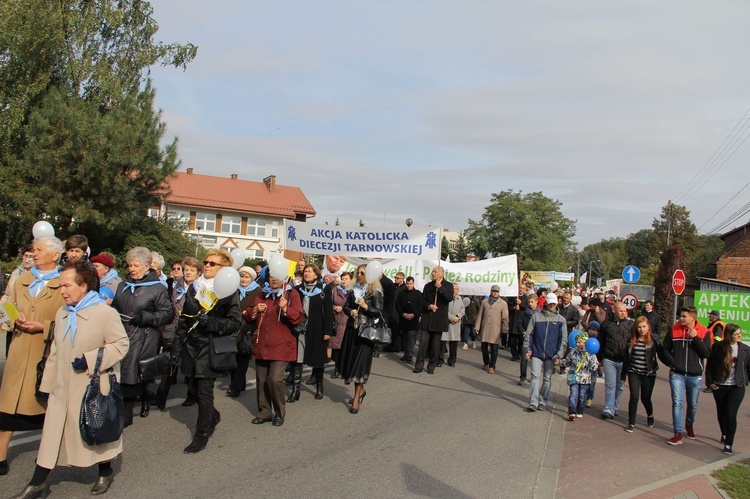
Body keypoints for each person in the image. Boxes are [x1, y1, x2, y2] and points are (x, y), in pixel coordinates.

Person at [10, 260, 129, 497]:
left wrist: (91, 358)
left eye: (66, 285)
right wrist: (46, 385)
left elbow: (121, 344)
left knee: (94, 430)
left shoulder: (105, 312)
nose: (61, 291)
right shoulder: (63, 312)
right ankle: (37, 483)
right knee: (52, 437)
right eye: (60, 285)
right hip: (62, 387)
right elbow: (55, 349)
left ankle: (105, 471)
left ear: (83, 285)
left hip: (91, 386)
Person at [0, 236, 66, 477]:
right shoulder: (22, 279)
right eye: (32, 250)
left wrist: (44, 326)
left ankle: (45, 461)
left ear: (55, 255)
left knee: (44, 409)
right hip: (18, 350)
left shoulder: (65, 282)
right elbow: (6, 304)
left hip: (45, 353)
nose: (33, 254)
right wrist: (13, 317)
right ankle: (1, 457)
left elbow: (71, 319)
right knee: (7, 408)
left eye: (38, 250)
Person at [170, 249, 241, 453]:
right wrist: (176, 350)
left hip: (210, 349)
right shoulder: (195, 288)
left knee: (203, 392)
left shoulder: (228, 292)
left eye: (212, 263)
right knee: (192, 387)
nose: (207, 266)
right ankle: (213, 415)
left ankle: (201, 433)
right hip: (191, 347)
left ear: (223, 269)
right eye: (206, 262)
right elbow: (184, 320)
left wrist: (211, 322)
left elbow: (235, 323)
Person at [111, 246, 173, 426]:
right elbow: (115, 305)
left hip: (143, 336)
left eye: (136, 265)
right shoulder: (123, 285)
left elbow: (167, 314)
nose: (132, 269)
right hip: (121, 334)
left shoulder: (157, 288)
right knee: (120, 374)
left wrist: (146, 317)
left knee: (134, 375)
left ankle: (127, 414)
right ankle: (125, 407)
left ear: (147, 266)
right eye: (130, 265)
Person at [246, 275, 303, 427]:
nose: (274, 279)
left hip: (281, 345)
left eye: (278, 277)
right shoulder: (261, 293)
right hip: (262, 343)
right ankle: (264, 412)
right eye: (271, 276)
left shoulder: (291, 294)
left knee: (275, 379)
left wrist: (285, 308)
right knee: (262, 379)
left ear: (284, 278)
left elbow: (298, 317)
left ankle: (279, 412)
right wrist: (255, 310)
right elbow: (248, 316)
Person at [659, 306, 711, 445]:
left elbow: (706, 354)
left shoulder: (704, 331)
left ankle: (689, 424)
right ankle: (677, 433)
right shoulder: (674, 329)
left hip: (695, 375)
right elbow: (664, 349)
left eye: (684, 316)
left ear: (692, 318)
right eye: (680, 316)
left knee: (693, 404)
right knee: (677, 403)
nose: (681, 318)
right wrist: (672, 363)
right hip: (677, 374)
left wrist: (695, 338)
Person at [343, 271, 384, 414]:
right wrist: (350, 311)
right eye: (358, 273)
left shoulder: (375, 292)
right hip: (352, 330)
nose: (360, 275)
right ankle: (361, 391)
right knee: (351, 362)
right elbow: (345, 307)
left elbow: (379, 313)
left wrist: (366, 307)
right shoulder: (353, 291)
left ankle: (356, 398)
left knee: (359, 365)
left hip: (366, 332)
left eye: (363, 273)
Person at [291, 263, 333, 401]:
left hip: (318, 329)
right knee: (298, 359)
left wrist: (327, 331)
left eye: (310, 271)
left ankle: (319, 386)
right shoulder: (297, 289)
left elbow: (328, 311)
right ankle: (295, 390)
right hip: (301, 329)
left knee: (318, 359)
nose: (307, 274)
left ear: (316, 274)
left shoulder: (324, 289)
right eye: (305, 271)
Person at [706, 324, 750, 455]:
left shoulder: (745, 349)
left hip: (737, 387)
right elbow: (711, 365)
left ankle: (729, 443)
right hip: (720, 385)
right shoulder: (718, 347)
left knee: (731, 413)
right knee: (721, 413)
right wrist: (710, 383)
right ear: (729, 335)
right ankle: (724, 433)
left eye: (740, 333)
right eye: (735, 334)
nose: (738, 336)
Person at [524, 293, 567, 412]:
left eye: (554, 303)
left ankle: (543, 400)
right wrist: (528, 349)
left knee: (547, 378)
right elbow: (529, 334)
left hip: (551, 355)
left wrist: (559, 354)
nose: (552, 305)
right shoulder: (536, 317)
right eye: (550, 303)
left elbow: (563, 339)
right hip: (537, 352)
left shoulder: (561, 320)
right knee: (535, 376)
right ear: (546, 303)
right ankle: (533, 402)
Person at [227, 266, 261, 398]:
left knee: (242, 359)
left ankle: (235, 386)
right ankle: (238, 383)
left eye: (247, 277)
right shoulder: (233, 290)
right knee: (232, 358)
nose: (243, 279)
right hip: (233, 328)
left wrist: (251, 313)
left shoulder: (257, 291)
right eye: (242, 276)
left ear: (252, 278)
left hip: (248, 328)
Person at [622, 316, 660, 433]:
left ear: (648, 327)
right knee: (634, 397)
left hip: (648, 374)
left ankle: (650, 414)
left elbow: (663, 354)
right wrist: (623, 375)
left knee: (645, 398)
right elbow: (626, 358)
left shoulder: (654, 339)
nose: (641, 329)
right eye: (639, 327)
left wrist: (673, 363)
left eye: (644, 327)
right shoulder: (631, 340)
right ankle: (631, 422)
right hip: (634, 372)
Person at [414, 266, 453, 374]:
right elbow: (422, 300)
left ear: (441, 274)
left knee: (436, 345)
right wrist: (429, 305)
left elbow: (449, 298)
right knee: (422, 344)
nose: (433, 273)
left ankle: (432, 365)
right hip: (427, 318)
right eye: (433, 271)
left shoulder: (448, 285)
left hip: (439, 320)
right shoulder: (428, 286)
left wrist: (440, 287)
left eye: (435, 272)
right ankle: (419, 365)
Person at [598, 302, 634, 420]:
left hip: (624, 360)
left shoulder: (630, 325)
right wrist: (600, 358)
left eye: (625, 311)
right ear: (614, 310)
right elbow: (600, 341)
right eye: (621, 311)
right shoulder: (606, 324)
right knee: (610, 385)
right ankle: (608, 409)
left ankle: (615, 407)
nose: (623, 313)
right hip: (609, 358)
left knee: (619, 386)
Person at [1, 243, 34, 355]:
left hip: (26, 319)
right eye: (26, 256)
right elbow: (7, 295)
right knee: (9, 354)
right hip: (12, 318)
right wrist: (4, 317)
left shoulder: (36, 276)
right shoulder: (16, 273)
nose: (27, 259)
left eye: (31, 256)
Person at [562, 331, 599, 420]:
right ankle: (572, 412)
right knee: (573, 394)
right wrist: (560, 362)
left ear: (585, 342)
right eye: (577, 342)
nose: (577, 344)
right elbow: (567, 361)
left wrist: (589, 360)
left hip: (585, 378)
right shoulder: (573, 351)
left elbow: (594, 367)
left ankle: (580, 410)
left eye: (579, 342)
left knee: (582, 395)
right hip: (574, 377)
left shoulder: (591, 353)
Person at [475, 284, 510, 374]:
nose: (495, 293)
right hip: (485, 328)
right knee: (483, 347)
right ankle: (486, 362)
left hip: (496, 329)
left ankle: (492, 366)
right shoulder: (484, 302)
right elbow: (480, 315)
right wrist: (477, 326)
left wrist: (505, 330)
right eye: (494, 291)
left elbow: (505, 318)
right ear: (491, 291)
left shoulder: (503, 303)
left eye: (497, 292)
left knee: (494, 348)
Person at [330, 272, 352, 378]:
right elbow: (328, 304)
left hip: (348, 322)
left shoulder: (353, 292)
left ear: (351, 280)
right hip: (337, 322)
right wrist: (334, 307)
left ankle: (345, 369)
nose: (344, 280)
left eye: (346, 278)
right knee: (336, 347)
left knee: (346, 347)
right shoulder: (335, 290)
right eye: (343, 278)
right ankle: (337, 368)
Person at [396, 276, 422, 362]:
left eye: (410, 284)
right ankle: (406, 353)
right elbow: (398, 305)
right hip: (403, 319)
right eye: (407, 283)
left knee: (411, 337)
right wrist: (403, 313)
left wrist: (414, 314)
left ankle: (410, 355)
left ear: (413, 283)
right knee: (405, 337)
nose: (408, 285)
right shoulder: (401, 293)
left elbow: (420, 306)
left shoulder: (418, 294)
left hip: (413, 320)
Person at [517, 293, 540, 385]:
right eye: (529, 302)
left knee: (535, 359)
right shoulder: (524, 313)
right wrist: (523, 331)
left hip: (536, 339)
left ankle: (533, 376)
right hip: (526, 338)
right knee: (524, 358)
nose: (530, 304)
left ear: (536, 302)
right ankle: (522, 377)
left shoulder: (540, 314)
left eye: (532, 302)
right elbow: (519, 323)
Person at [439, 284, 465, 367]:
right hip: (446, 322)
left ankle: (452, 360)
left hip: (456, 324)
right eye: (454, 289)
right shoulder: (446, 298)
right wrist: (452, 318)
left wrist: (458, 317)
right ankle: (440, 359)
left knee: (454, 343)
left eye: (457, 289)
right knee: (442, 342)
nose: (456, 290)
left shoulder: (459, 298)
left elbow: (462, 309)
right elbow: (443, 309)